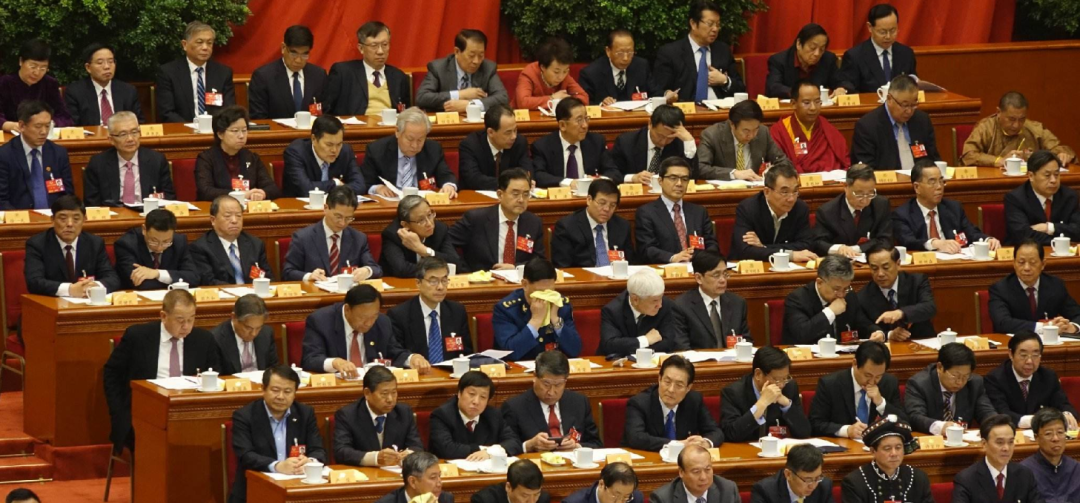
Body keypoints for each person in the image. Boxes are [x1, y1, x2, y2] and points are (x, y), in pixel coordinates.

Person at [103, 290, 220, 453]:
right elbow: (112, 374)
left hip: (188, 413)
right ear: (163, 316)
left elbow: (216, 377)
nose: (186, 326)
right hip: (145, 413)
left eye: (191, 319)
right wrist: (118, 413)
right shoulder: (138, 337)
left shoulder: (204, 340)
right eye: (180, 320)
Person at [229, 366, 326, 503]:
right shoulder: (245, 416)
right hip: (255, 489)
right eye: (275, 390)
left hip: (296, 487)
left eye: (287, 391)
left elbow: (318, 450)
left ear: (295, 393)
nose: (281, 397)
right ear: (263, 389)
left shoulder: (305, 414)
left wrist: (310, 462)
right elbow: (246, 455)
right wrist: (277, 466)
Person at [301, 284, 425, 374]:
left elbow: (394, 352)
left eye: (374, 316)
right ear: (347, 309)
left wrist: (412, 358)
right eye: (363, 318)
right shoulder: (321, 321)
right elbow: (310, 359)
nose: (369, 323)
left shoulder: (382, 322)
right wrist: (335, 363)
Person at [502, 350, 602, 452]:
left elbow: (596, 444)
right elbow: (506, 448)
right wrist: (529, 446)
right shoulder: (514, 407)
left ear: (565, 381)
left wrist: (577, 447)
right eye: (546, 384)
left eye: (558, 385)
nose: (551, 392)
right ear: (535, 376)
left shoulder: (579, 402)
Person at [449, 168, 544, 271]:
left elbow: (539, 260)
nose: (521, 200)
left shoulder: (533, 222)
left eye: (526, 194)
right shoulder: (475, 219)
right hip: (483, 278)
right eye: (515, 194)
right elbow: (447, 242)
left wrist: (516, 268)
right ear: (500, 195)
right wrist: (463, 269)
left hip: (519, 278)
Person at [892, 161, 1000, 252]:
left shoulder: (954, 208)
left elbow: (971, 232)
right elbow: (908, 242)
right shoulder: (902, 214)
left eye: (941, 181)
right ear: (917, 187)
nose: (939, 187)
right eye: (932, 182)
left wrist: (987, 240)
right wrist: (935, 243)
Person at [650, 0, 745, 103]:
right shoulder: (670, 53)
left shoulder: (723, 50)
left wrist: (725, 81)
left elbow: (741, 89)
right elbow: (658, 90)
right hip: (685, 109)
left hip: (720, 109)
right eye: (710, 24)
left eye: (718, 24)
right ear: (693, 24)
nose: (715, 29)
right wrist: (667, 94)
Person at [623, 356, 724, 451]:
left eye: (679, 385)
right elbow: (635, 437)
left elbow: (716, 431)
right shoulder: (639, 403)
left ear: (688, 388)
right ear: (659, 379)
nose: (671, 390)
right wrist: (677, 445)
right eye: (667, 382)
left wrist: (705, 443)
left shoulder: (694, 400)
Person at [25, 195, 120, 296]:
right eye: (63, 219)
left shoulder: (94, 243)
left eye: (76, 219)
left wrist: (95, 286)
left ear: (84, 220)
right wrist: (70, 290)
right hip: (52, 303)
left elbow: (112, 278)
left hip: (86, 301)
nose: (70, 224)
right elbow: (34, 282)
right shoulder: (37, 244)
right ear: (52, 219)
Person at [282, 185, 381, 281]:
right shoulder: (303, 238)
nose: (342, 223)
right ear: (326, 208)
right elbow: (288, 272)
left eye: (348, 218)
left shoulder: (358, 239)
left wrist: (367, 271)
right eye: (338, 217)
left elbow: (376, 269)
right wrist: (309, 276)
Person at [809, 341, 907, 438]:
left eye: (878, 376)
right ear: (855, 363)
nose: (872, 381)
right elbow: (815, 423)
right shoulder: (830, 384)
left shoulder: (889, 383)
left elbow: (905, 423)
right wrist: (847, 430)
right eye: (867, 375)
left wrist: (881, 403)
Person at [492, 258, 582, 360]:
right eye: (540, 292)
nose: (546, 297)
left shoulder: (561, 305)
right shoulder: (506, 310)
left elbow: (575, 350)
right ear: (525, 284)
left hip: (553, 366)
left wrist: (556, 320)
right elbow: (510, 353)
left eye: (550, 291)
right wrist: (535, 321)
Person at [984, 331, 1079, 429]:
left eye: (1035, 355)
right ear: (1011, 354)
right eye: (1023, 355)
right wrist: (1036, 421)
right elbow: (1001, 414)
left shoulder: (1048, 376)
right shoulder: (995, 379)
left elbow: (1063, 404)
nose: (1029, 361)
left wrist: (1067, 414)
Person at [387, 257, 472, 364]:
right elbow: (395, 352)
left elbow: (466, 352)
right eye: (433, 281)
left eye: (444, 280)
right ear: (418, 283)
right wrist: (412, 359)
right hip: (418, 372)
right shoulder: (399, 315)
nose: (440, 287)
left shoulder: (457, 311)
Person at [333, 366, 423, 466]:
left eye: (394, 393)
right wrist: (375, 458)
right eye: (384, 394)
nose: (390, 399)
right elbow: (341, 452)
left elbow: (417, 446)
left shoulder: (403, 412)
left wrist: (409, 455)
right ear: (367, 393)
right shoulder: (347, 415)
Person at [635, 157, 719, 263]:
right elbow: (647, 249)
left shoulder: (699, 212)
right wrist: (673, 258)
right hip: (667, 268)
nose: (679, 183)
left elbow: (711, 244)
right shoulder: (647, 213)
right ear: (660, 181)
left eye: (684, 179)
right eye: (673, 178)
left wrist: (702, 260)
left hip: (697, 267)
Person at [361, 107, 458, 198]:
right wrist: (377, 188)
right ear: (397, 131)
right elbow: (365, 182)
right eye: (410, 139)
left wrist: (449, 186)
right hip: (391, 203)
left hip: (422, 203)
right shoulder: (377, 150)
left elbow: (445, 175)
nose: (415, 145)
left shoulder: (433, 149)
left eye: (420, 140)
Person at [782, 255, 882, 345]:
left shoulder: (849, 296)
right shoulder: (797, 299)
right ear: (820, 282)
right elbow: (802, 334)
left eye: (845, 288)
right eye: (836, 289)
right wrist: (830, 312)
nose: (841, 294)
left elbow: (862, 323)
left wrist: (876, 332)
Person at [728, 163, 818, 262]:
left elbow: (806, 245)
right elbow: (745, 250)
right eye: (785, 192)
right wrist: (790, 255)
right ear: (767, 192)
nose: (791, 199)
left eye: (795, 191)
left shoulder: (800, 208)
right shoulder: (748, 208)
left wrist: (764, 247)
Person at [962, 91, 1075, 168]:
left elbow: (1060, 148)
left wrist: (1062, 154)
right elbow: (968, 155)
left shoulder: (1035, 129)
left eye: (1021, 119)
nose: (1016, 125)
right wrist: (999, 160)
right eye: (1011, 119)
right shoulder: (985, 128)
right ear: (998, 112)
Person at [83, 111, 175, 206]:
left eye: (134, 132)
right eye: (123, 134)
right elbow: (92, 203)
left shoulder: (156, 160)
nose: (130, 139)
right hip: (114, 214)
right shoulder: (98, 164)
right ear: (111, 140)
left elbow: (168, 198)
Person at [988, 239, 1080, 334]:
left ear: (1043, 264)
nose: (1026, 268)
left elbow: (1077, 314)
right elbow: (1002, 323)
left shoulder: (1055, 285)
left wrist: (1073, 327)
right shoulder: (1000, 289)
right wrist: (1044, 327)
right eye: (1021, 262)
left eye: (1032, 262)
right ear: (1014, 264)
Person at [721, 346, 810, 442]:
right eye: (776, 379)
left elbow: (804, 432)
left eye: (785, 378)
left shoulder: (789, 387)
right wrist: (762, 403)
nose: (781, 385)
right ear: (758, 374)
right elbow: (731, 434)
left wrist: (786, 404)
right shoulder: (734, 392)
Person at [904, 343, 997, 434]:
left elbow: (986, 412)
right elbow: (915, 417)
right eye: (955, 376)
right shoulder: (919, 384)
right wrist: (941, 427)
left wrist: (995, 425)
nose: (959, 382)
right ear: (940, 367)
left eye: (965, 376)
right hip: (931, 438)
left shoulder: (974, 383)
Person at [850, 75, 940, 169]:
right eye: (904, 105)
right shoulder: (867, 126)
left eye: (913, 105)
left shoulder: (922, 120)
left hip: (920, 177)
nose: (909, 111)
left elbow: (933, 159)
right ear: (889, 99)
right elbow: (865, 171)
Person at [195, 105, 281, 201]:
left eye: (244, 130)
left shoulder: (251, 158)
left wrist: (262, 193)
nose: (241, 136)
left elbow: (272, 188)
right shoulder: (206, 159)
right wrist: (240, 195)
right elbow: (205, 191)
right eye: (235, 131)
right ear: (220, 134)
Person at [323, 21, 410, 116]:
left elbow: (406, 113)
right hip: (356, 125)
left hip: (391, 124)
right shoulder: (343, 72)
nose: (380, 51)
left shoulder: (398, 77)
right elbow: (327, 110)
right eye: (374, 46)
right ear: (361, 48)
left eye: (385, 45)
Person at [430, 370, 522, 459]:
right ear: (459, 393)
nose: (476, 401)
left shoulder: (493, 415)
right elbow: (446, 449)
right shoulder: (442, 415)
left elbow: (514, 442)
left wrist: (489, 452)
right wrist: (484, 450)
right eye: (472, 394)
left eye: (483, 397)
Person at [952, 414, 1043, 503]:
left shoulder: (1025, 475)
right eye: (1000, 442)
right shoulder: (966, 479)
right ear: (984, 444)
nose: (1006, 448)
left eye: (1010, 442)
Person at [156, 21, 236, 123]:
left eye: (209, 43)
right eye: (199, 42)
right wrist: (190, 128)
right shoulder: (169, 72)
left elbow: (229, 110)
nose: (205, 47)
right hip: (183, 129)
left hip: (215, 129)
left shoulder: (223, 73)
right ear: (185, 45)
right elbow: (167, 112)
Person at [0, 100, 74, 209]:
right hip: (20, 216)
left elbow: (67, 195)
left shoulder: (58, 153)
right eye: (38, 126)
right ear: (22, 126)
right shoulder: (5, 155)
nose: (44, 132)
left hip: (53, 216)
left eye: (47, 126)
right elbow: (2, 200)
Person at [840, 416, 932, 503]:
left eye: (898, 447)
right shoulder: (855, 482)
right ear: (873, 451)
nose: (894, 454)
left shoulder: (918, 478)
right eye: (887, 448)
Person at [858, 240, 936, 340]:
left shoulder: (917, 281)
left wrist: (901, 313)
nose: (880, 274)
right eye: (874, 268)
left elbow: (930, 307)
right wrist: (888, 335)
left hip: (922, 340)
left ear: (898, 264)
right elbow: (865, 327)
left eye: (886, 267)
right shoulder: (863, 296)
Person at [599, 269, 688, 357]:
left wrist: (630, 346)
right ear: (635, 299)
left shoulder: (666, 305)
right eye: (655, 300)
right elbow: (610, 345)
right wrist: (645, 340)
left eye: (661, 297)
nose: (660, 305)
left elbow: (668, 343)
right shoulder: (612, 311)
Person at [416, 29, 508, 113]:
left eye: (481, 55)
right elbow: (422, 97)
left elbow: (502, 98)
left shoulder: (488, 68)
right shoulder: (439, 68)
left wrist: (470, 105)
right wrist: (460, 94)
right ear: (457, 52)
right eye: (471, 56)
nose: (476, 61)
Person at [530, 97, 614, 188]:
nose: (585, 125)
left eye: (586, 118)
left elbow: (614, 172)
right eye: (579, 120)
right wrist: (569, 183)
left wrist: (600, 180)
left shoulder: (596, 142)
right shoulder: (543, 146)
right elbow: (539, 176)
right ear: (562, 125)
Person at [247, 25, 327, 120]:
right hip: (276, 129)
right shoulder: (263, 77)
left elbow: (325, 113)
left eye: (304, 54)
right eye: (294, 53)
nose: (298, 60)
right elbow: (259, 119)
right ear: (283, 48)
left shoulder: (319, 75)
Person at [769, 79, 850, 173]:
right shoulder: (780, 130)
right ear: (793, 104)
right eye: (806, 103)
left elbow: (844, 160)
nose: (813, 108)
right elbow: (778, 166)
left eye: (817, 102)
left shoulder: (827, 128)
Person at [698, 100, 791, 181]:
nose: (751, 135)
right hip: (725, 192)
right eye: (746, 130)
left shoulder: (763, 132)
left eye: (755, 129)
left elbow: (784, 162)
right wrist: (734, 173)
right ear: (732, 125)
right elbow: (700, 168)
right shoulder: (712, 135)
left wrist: (771, 172)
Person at [550, 178, 635, 267]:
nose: (607, 209)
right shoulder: (567, 227)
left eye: (612, 205)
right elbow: (562, 266)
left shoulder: (622, 226)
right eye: (602, 203)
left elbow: (631, 264)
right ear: (589, 200)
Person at [812, 164, 893, 257]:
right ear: (846, 186)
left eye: (870, 193)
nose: (864, 200)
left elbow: (886, 240)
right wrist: (838, 248)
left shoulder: (881, 205)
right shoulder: (827, 211)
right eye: (859, 194)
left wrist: (856, 249)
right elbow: (818, 243)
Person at [675, 250, 751, 348]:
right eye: (716, 275)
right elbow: (682, 347)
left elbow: (746, 341)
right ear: (698, 278)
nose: (723, 280)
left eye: (725, 274)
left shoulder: (737, 303)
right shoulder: (682, 306)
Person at [190, 195, 273, 285]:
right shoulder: (201, 248)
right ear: (213, 220)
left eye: (238, 215)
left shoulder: (255, 244)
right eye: (228, 216)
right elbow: (207, 282)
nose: (234, 220)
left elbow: (268, 277)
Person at [1004, 150, 1080, 245]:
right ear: (1031, 176)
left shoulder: (1069, 196)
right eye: (1047, 175)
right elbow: (1022, 235)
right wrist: (1060, 241)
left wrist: (1048, 228)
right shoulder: (1015, 198)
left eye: (1056, 174)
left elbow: (1078, 230)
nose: (1053, 180)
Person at [607, 104, 698, 184]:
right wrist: (632, 178)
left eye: (670, 138)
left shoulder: (681, 144)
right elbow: (612, 173)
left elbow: (692, 178)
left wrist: (689, 141)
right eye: (660, 136)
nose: (663, 142)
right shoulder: (626, 142)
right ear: (650, 124)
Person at [838, 4, 917, 93]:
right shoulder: (854, 56)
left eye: (893, 30)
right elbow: (848, 86)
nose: (888, 36)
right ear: (870, 27)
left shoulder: (906, 54)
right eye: (882, 32)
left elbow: (913, 85)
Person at [281, 115, 367, 197]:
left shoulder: (345, 151)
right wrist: (335, 183)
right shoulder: (296, 152)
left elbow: (360, 186)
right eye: (329, 144)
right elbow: (305, 189)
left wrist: (336, 190)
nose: (334, 150)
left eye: (339, 144)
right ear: (314, 139)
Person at [114, 208, 199, 290]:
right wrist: (173, 279)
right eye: (154, 241)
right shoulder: (127, 244)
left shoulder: (179, 242)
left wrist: (157, 274)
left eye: (166, 242)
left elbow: (194, 277)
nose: (159, 247)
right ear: (144, 230)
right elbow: (138, 282)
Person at [380, 195, 463, 278]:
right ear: (405, 225)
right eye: (421, 220)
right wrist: (437, 270)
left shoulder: (440, 230)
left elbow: (456, 264)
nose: (429, 223)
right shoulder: (392, 235)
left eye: (429, 215)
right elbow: (402, 270)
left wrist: (424, 251)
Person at [64, 42, 144, 126]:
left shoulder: (128, 91)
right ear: (88, 67)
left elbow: (139, 122)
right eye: (100, 62)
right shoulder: (75, 92)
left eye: (110, 61)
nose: (107, 67)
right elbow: (72, 126)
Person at [0, 39, 72, 131]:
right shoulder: (4, 83)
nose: (37, 73)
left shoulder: (50, 84)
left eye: (43, 68)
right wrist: (7, 125)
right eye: (33, 66)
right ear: (21, 61)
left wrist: (49, 124)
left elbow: (65, 117)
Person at [457, 103, 532, 191]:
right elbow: (473, 179)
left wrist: (528, 180)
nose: (514, 136)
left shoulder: (519, 142)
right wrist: (509, 184)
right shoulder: (470, 145)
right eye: (508, 132)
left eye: (515, 130)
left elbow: (527, 173)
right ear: (491, 132)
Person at [765, 24, 844, 99]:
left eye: (822, 49)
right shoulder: (779, 60)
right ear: (799, 44)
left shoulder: (828, 59)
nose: (817, 54)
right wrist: (800, 94)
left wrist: (841, 88)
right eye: (812, 47)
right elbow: (773, 87)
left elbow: (841, 81)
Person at [1020, 408, 1080, 503]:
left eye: (1060, 432)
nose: (1055, 438)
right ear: (1036, 437)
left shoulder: (1076, 468)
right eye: (1048, 434)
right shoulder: (1024, 471)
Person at [578, 30, 650, 106]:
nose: (625, 58)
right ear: (608, 51)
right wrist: (601, 104)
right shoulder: (591, 73)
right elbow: (584, 103)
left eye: (630, 52)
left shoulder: (641, 66)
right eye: (620, 53)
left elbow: (654, 94)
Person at [515, 38, 588, 110]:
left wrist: (566, 101)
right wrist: (552, 98)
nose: (561, 77)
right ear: (543, 67)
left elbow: (584, 97)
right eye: (556, 72)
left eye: (565, 71)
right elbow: (523, 102)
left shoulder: (564, 76)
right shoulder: (529, 74)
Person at [213, 294, 278, 375]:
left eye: (258, 328)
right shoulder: (216, 338)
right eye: (248, 328)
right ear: (234, 317)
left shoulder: (266, 333)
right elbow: (217, 376)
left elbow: (274, 369)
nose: (254, 333)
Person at [649, 445, 739, 503]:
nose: (703, 477)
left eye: (707, 469)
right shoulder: (662, 499)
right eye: (696, 471)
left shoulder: (728, 490)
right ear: (681, 472)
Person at [751, 444, 835, 503]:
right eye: (808, 480)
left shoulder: (824, 486)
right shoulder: (765, 491)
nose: (812, 486)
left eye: (817, 478)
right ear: (788, 474)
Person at [374, 452, 454, 503]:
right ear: (412, 482)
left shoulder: (445, 499)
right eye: (433, 477)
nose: (439, 484)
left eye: (439, 476)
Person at [471, 459, 550, 503]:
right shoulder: (484, 500)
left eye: (536, 494)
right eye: (525, 495)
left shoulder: (543, 499)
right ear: (508, 487)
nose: (532, 502)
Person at [562, 462, 645, 503]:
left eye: (625, 497)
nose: (620, 502)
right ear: (602, 484)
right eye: (616, 495)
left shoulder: (636, 499)